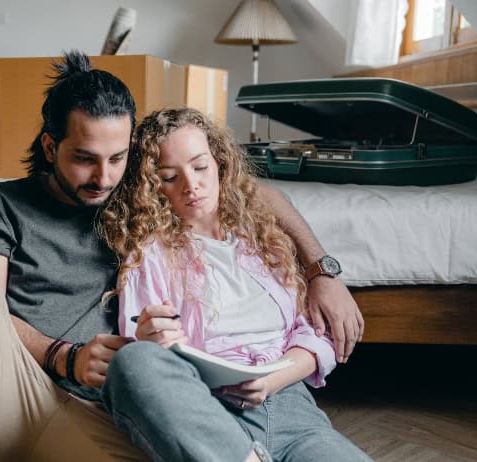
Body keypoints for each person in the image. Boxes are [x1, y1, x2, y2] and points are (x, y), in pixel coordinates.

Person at [0, 50, 364, 461]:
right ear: (49, 146)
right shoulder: (5, 205)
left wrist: (322, 269)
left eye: (117, 158)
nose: (102, 176)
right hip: (22, 387)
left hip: (102, 415)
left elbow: (249, 193)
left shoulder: (135, 200)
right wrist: (63, 356)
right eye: (84, 158)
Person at [97, 107, 372, 462]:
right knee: (135, 361)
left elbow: (316, 333)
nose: (190, 185)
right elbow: (145, 348)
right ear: (151, 186)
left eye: (199, 167)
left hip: (290, 408)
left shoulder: (265, 236)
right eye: (168, 176)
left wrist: (271, 380)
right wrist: (155, 337)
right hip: (206, 409)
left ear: (220, 164)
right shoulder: (149, 254)